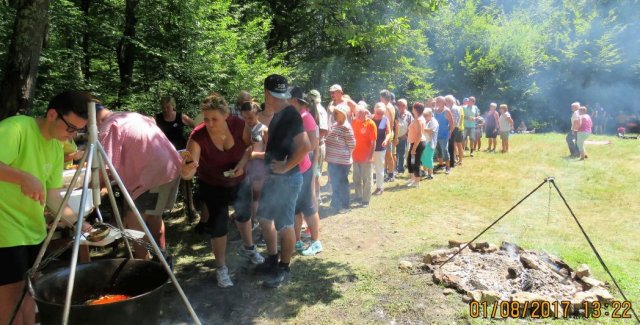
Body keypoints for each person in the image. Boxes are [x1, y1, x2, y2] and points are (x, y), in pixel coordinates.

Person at [0, 91, 90, 325]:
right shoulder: (17, 128)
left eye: (78, 131)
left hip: (33, 230)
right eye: (71, 128)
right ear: (52, 114)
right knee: (10, 300)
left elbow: (53, 197)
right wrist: (22, 177)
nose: (73, 135)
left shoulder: (55, 146)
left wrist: (81, 224)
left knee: (30, 293)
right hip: (5, 231)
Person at [181, 93, 260, 288]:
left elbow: (249, 148)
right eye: (206, 119)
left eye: (214, 119)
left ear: (226, 116)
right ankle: (221, 269)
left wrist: (242, 165)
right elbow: (187, 173)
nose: (209, 123)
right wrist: (187, 170)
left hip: (240, 180)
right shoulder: (197, 136)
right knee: (219, 226)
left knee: (244, 216)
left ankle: (250, 249)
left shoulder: (238, 125)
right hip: (213, 185)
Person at [96, 102, 182, 261]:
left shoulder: (109, 125)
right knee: (154, 216)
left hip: (151, 174)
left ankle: (145, 265)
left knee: (134, 223)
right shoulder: (131, 116)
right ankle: (161, 259)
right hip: (170, 166)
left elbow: (106, 166)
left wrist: (94, 187)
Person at [254, 74, 311, 288]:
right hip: (275, 180)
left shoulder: (290, 115)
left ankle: (284, 268)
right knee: (264, 218)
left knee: (285, 225)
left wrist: (286, 167)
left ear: (267, 93)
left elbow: (306, 146)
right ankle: (271, 260)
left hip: (287, 181)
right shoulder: (279, 114)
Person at [289, 87, 323, 256]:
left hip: (304, 168)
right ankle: (297, 241)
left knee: (308, 207)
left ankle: (316, 242)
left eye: (288, 99)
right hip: (295, 168)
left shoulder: (305, 117)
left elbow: (313, 144)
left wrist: (313, 168)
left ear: (295, 100)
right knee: (295, 208)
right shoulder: (297, 116)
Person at [155, 96, 197, 221]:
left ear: (173, 106)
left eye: (168, 107)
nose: (166, 110)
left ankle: (191, 208)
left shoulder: (180, 116)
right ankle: (165, 209)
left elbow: (196, 126)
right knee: (165, 181)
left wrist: (192, 140)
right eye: (163, 108)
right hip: (165, 154)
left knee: (186, 180)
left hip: (182, 153)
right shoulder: (157, 118)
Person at [238, 101, 268, 227]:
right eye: (245, 118)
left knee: (257, 195)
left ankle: (256, 220)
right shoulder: (246, 127)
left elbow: (270, 153)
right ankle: (250, 218)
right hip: (248, 166)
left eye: (250, 117)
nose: (248, 120)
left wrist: (256, 155)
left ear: (258, 115)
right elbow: (245, 144)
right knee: (248, 193)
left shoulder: (264, 129)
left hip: (259, 166)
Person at [325, 103, 356, 214]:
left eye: (336, 113)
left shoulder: (346, 127)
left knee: (342, 183)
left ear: (343, 114)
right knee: (335, 182)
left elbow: (352, 144)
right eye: (334, 112)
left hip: (342, 162)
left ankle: (345, 206)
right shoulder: (335, 125)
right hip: (333, 160)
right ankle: (335, 204)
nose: (334, 114)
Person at [351, 107, 377, 207]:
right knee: (356, 178)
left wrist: (370, 157)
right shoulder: (354, 122)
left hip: (366, 157)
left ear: (366, 113)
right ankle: (358, 196)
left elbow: (373, 142)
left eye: (360, 114)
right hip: (355, 156)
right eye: (357, 114)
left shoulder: (371, 124)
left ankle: (366, 200)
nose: (358, 116)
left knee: (367, 179)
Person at [308, 89, 328, 204]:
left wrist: (314, 143)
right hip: (313, 145)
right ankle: (313, 196)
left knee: (316, 172)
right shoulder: (311, 109)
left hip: (317, 146)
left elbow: (323, 131)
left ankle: (317, 196)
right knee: (314, 172)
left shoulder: (319, 110)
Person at [371, 103, 391, 195]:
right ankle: (369, 186)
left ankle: (380, 187)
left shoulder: (385, 119)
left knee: (379, 168)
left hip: (380, 147)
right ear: (374, 111)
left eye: (382, 113)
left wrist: (386, 140)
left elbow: (388, 132)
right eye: (378, 113)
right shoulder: (369, 119)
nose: (380, 115)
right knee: (369, 168)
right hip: (369, 148)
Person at [406, 102, 427, 187]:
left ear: (415, 109)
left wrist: (414, 148)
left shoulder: (419, 120)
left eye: (413, 108)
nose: (412, 109)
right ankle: (413, 179)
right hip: (415, 143)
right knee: (410, 161)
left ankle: (417, 182)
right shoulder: (418, 118)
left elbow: (419, 134)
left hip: (417, 144)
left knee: (415, 162)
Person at [379, 90, 397, 182]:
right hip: (385, 132)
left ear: (384, 97)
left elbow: (391, 122)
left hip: (388, 133)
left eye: (380, 97)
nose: (379, 98)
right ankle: (386, 173)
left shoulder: (389, 107)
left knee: (388, 155)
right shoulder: (386, 106)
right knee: (386, 155)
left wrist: (387, 133)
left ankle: (391, 174)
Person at [434, 96, 454, 174]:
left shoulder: (447, 111)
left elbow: (452, 124)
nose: (437, 102)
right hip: (436, 135)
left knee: (445, 150)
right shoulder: (435, 111)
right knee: (438, 150)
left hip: (444, 134)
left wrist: (450, 133)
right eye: (437, 101)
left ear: (443, 102)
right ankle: (441, 164)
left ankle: (448, 167)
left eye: (439, 101)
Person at [395, 99, 413, 174]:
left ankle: (401, 168)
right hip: (394, 137)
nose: (401, 107)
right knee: (394, 154)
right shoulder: (394, 113)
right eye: (399, 105)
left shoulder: (408, 115)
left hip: (404, 137)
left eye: (403, 105)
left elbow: (411, 126)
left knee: (402, 154)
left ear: (405, 106)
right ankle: (394, 168)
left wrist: (406, 135)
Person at [446, 95, 464, 166]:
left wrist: (450, 131)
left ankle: (453, 161)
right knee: (458, 145)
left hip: (454, 128)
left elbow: (453, 122)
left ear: (449, 101)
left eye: (446, 101)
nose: (445, 103)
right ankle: (459, 160)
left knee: (452, 145)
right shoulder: (457, 108)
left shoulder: (453, 109)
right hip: (458, 128)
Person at [421, 108, 439, 180]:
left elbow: (431, 131)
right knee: (423, 158)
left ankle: (431, 174)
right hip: (423, 141)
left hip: (430, 143)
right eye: (423, 115)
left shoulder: (434, 121)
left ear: (431, 115)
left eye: (426, 115)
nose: (424, 116)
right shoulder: (424, 120)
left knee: (429, 158)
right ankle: (425, 172)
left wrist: (421, 128)